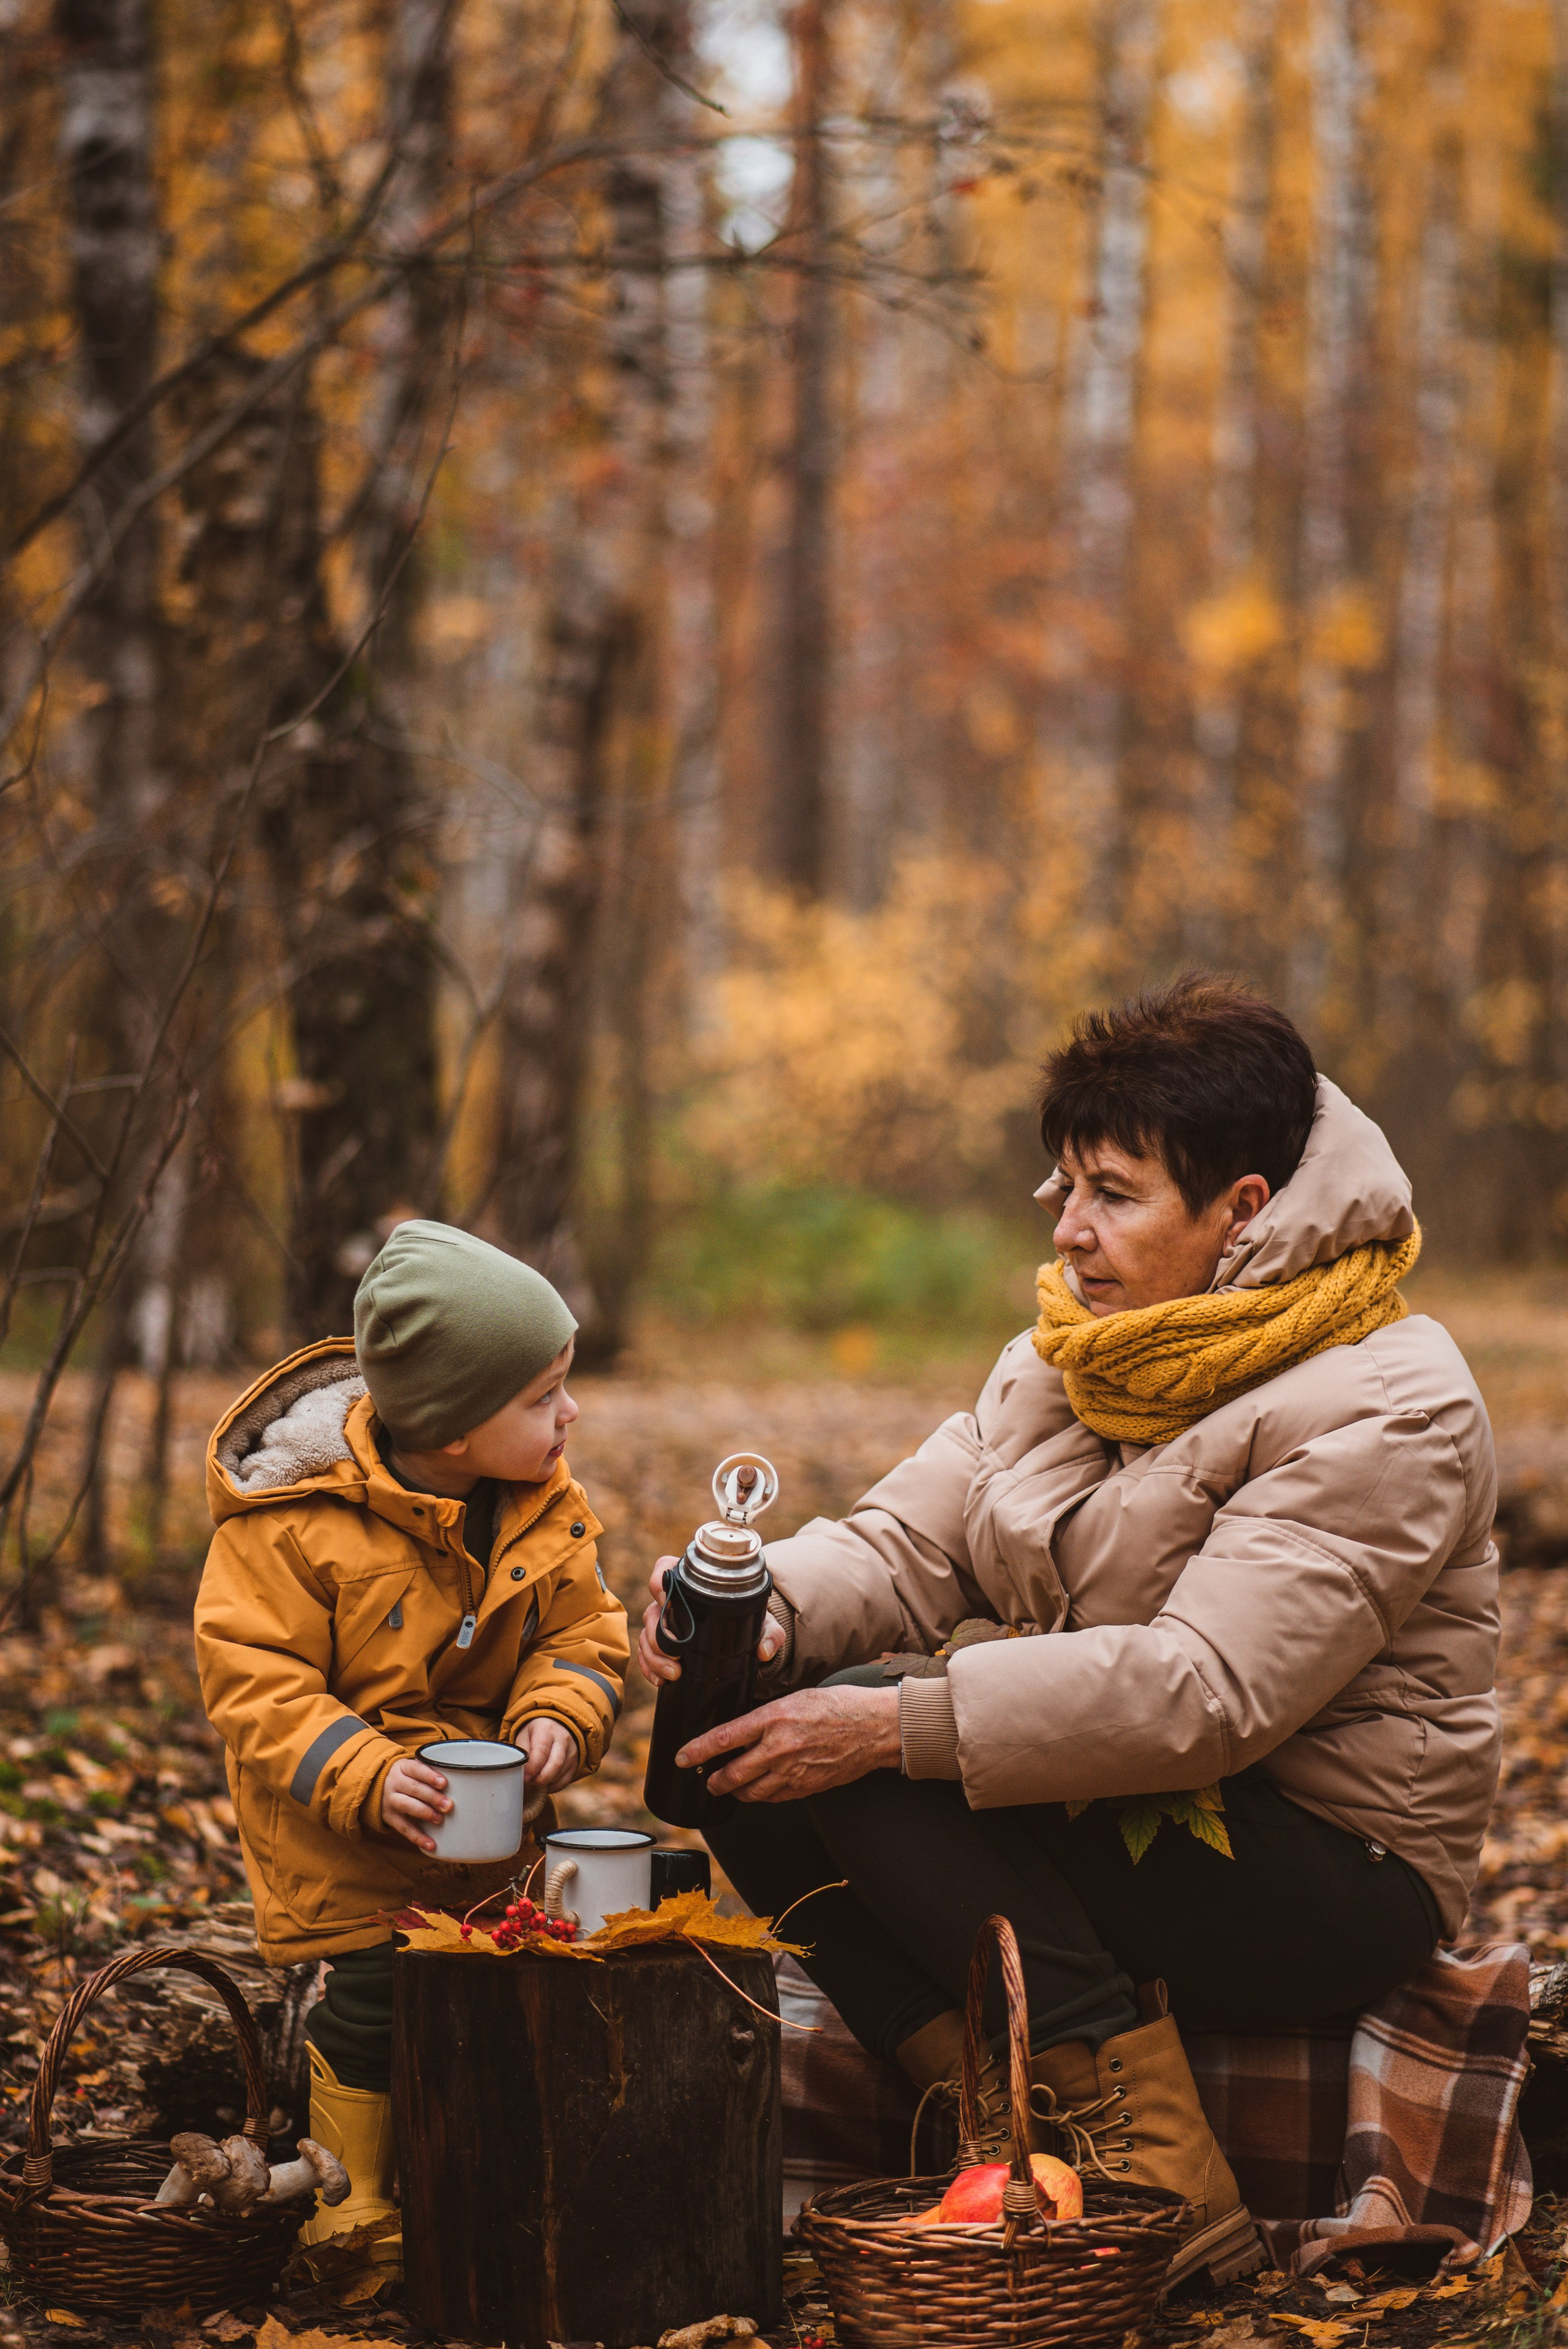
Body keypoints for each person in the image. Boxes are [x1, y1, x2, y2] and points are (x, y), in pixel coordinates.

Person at [638, 978, 1499, 2287]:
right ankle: (993, 2138)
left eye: (1108, 1190)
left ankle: (1153, 2175)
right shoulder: (1076, 1351)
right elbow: (911, 1543)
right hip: (1137, 1805)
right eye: (1061, 1183)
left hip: (1325, 1852)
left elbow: (1202, 1692)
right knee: (737, 1757)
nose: (1064, 1224)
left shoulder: (1388, 1402)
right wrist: (759, 1614)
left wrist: (891, 1720)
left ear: (1242, 1211)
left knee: (877, 1747)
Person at [197, 1220, 630, 2257]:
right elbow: (254, 1678)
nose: (570, 1412)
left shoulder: (538, 1501)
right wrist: (362, 1773)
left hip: (488, 1834)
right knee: (375, 1996)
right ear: (448, 1428)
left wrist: (559, 1714)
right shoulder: (292, 1522)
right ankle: (352, 2208)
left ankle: (484, 2186)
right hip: (341, 1835)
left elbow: (583, 1630)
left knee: (500, 1988)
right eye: (541, 1396)